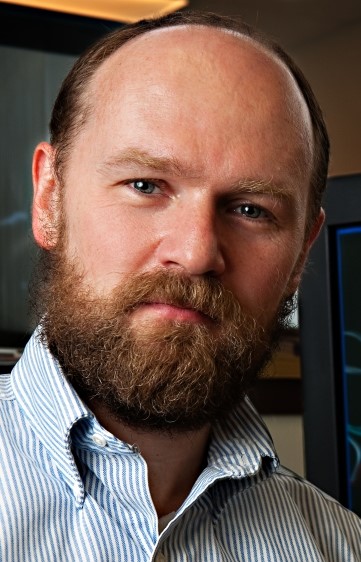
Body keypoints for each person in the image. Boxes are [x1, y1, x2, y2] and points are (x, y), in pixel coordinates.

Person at [0, 9, 360, 561]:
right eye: (145, 185)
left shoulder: (339, 546)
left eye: (251, 210)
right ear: (49, 199)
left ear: (301, 255)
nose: (195, 254)